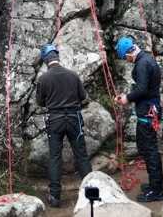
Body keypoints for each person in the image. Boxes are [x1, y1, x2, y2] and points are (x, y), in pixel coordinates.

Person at [36, 44, 92, 208]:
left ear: (46, 60)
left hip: (55, 119)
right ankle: (91, 194)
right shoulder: (73, 75)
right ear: (57, 57)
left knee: (55, 156)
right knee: (81, 154)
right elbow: (83, 97)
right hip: (74, 117)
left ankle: (54, 196)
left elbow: (40, 102)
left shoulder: (44, 79)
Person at [114, 37, 163, 202]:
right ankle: (154, 185)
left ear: (128, 53)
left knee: (149, 150)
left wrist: (127, 98)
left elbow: (142, 89)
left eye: (124, 57)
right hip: (150, 109)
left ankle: (156, 191)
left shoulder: (142, 64)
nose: (126, 61)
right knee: (145, 147)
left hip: (148, 112)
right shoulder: (148, 59)